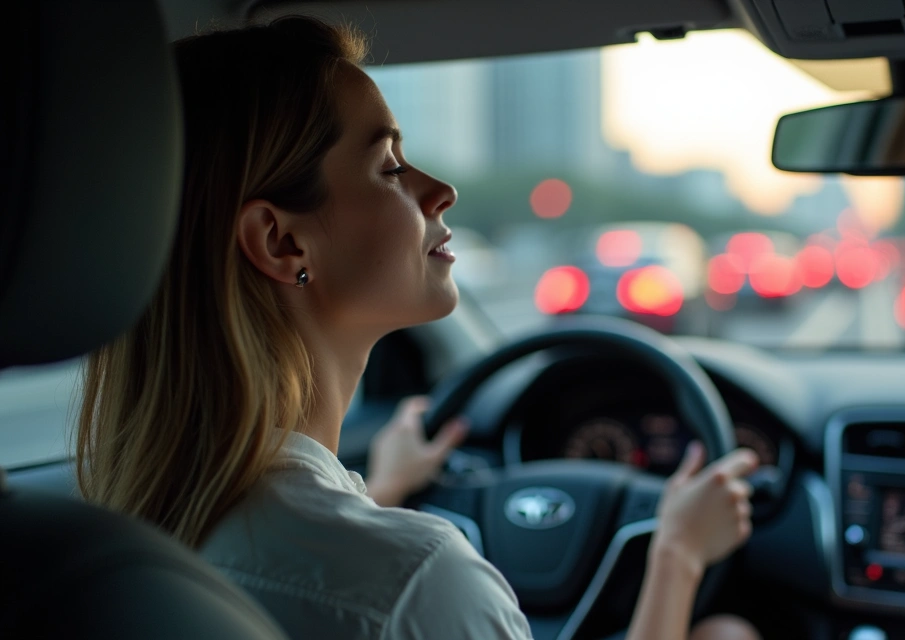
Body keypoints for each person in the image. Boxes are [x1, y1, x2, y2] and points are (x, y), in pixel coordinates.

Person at [75, 16, 762, 640]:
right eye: (389, 167)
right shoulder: (418, 585)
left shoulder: (108, 544)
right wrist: (676, 556)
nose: (441, 190)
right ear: (281, 243)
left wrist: (378, 490)